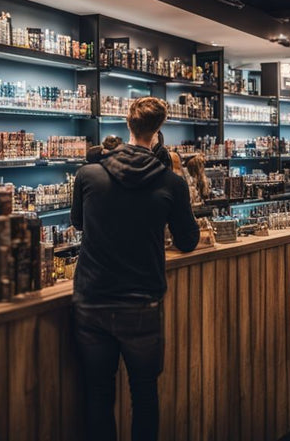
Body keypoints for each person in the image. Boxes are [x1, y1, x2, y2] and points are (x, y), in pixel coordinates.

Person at [71, 97, 200, 441]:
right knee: (144, 395)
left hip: (92, 299)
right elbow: (188, 240)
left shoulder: (88, 174)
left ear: (127, 124)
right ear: (158, 131)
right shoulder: (171, 182)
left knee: (98, 395)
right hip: (142, 301)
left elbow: (78, 224)